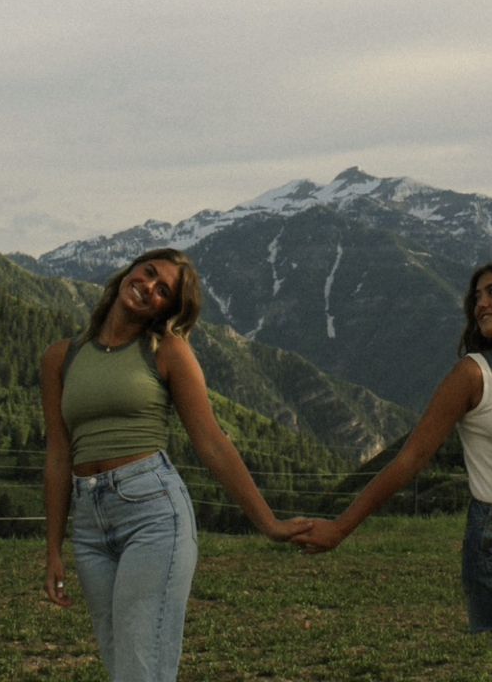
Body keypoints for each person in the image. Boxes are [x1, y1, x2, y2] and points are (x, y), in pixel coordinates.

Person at [293, 259, 492, 682]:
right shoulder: (473, 375)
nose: (481, 304)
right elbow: (410, 459)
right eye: (477, 297)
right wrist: (341, 528)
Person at [41, 247, 311, 682]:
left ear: (167, 308)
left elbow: (212, 443)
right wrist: (53, 548)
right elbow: (58, 454)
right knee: (121, 662)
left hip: (151, 513)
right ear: (130, 270)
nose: (148, 286)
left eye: (163, 290)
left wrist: (269, 523)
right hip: (89, 526)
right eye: (147, 273)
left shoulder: (167, 351)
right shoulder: (61, 357)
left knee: (140, 666)